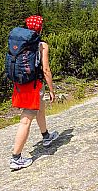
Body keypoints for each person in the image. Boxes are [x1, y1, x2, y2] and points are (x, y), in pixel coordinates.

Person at [9, 15, 59, 170]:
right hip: (33, 85)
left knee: (40, 109)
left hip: (20, 84)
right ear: (40, 28)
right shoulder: (42, 45)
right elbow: (45, 70)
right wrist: (52, 89)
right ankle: (16, 158)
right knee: (26, 120)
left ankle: (46, 136)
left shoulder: (19, 42)